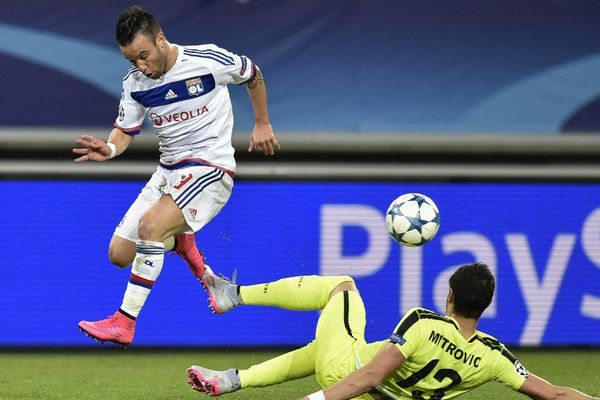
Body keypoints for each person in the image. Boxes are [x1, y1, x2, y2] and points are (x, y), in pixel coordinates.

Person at [73, 5, 280, 348]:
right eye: (131, 60)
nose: (141, 65)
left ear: (160, 39)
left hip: (210, 168)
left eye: (143, 55)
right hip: (168, 173)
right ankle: (182, 242)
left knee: (151, 227)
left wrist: (262, 123)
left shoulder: (207, 59)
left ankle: (124, 322)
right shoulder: (135, 84)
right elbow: (124, 130)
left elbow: (253, 74)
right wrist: (109, 150)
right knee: (120, 254)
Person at [187, 262, 599, 400]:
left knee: (342, 287)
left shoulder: (423, 322)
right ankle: (229, 381)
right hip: (371, 394)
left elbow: (369, 375)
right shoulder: (494, 357)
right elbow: (556, 394)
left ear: (450, 295)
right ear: (485, 306)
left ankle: (233, 294)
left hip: (349, 379)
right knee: (323, 345)